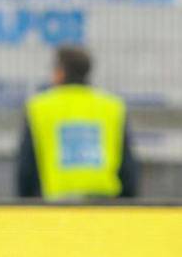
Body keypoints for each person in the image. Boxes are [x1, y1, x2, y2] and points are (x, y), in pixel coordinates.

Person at [16, 46, 138, 200]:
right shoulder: (112, 106)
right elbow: (128, 166)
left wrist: (26, 204)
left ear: (60, 73)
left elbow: (27, 168)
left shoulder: (39, 107)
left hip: (58, 202)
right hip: (105, 202)